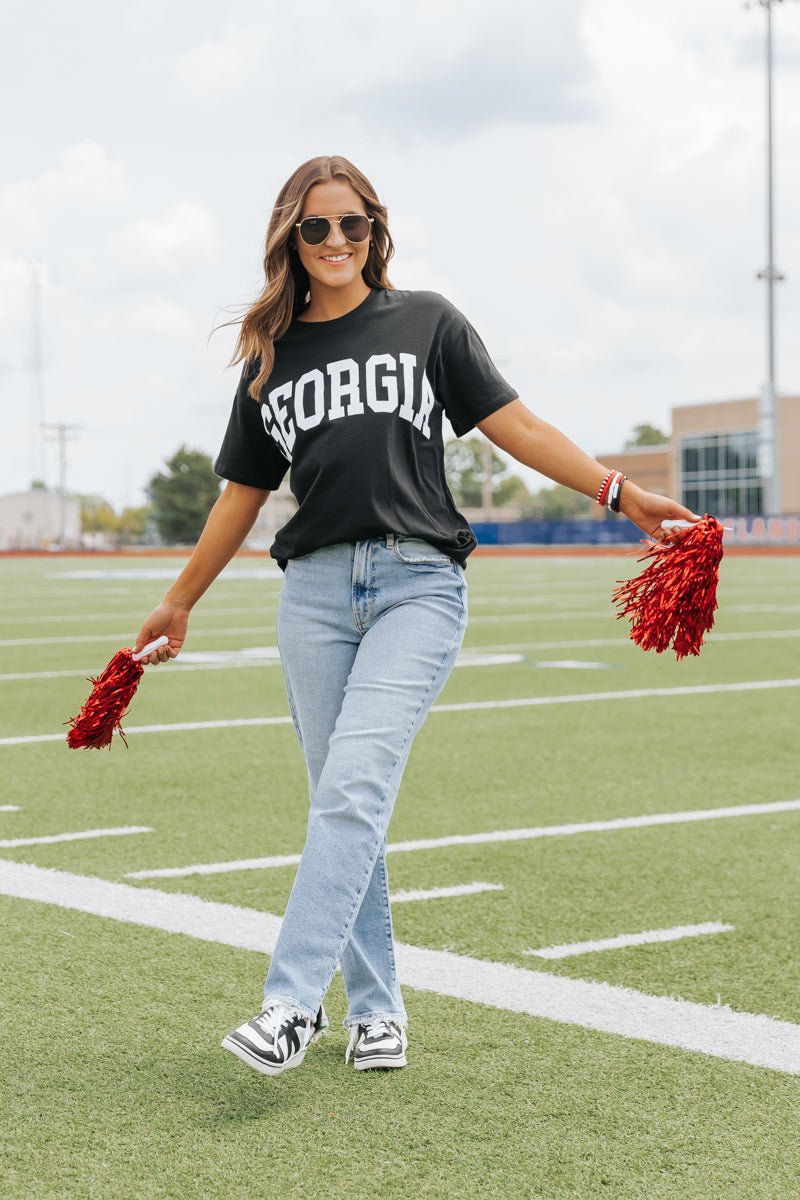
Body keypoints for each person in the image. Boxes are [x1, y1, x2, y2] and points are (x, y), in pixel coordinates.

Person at [134, 154, 698, 1078]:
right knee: (339, 806)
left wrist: (619, 490)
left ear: (374, 231)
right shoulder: (269, 359)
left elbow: (512, 423)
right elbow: (241, 495)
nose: (336, 242)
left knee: (353, 788)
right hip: (312, 595)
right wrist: (179, 600)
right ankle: (379, 1011)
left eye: (352, 224)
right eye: (316, 227)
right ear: (290, 238)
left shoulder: (427, 322)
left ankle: (289, 1006)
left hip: (416, 585)